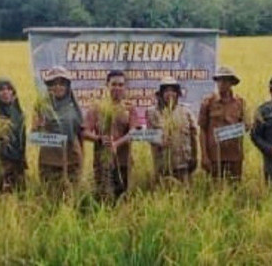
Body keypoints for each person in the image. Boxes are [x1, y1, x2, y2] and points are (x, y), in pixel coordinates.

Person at [83, 70, 138, 200]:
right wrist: (99, 139)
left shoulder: (129, 108)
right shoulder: (97, 107)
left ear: (125, 87)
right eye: (114, 84)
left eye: (120, 85)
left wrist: (117, 144)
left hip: (123, 162)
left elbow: (134, 132)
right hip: (103, 162)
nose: (117, 88)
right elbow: (84, 132)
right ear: (107, 85)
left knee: (123, 197)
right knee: (103, 197)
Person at [33, 66, 85, 187]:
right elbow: (34, 136)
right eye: (53, 84)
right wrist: (38, 127)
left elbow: (80, 133)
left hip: (72, 159)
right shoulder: (42, 107)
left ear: (68, 86)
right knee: (50, 198)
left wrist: (81, 157)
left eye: (62, 84)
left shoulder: (74, 107)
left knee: (72, 197)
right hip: (49, 160)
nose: (57, 87)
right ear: (48, 86)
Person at [198, 66, 249, 181]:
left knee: (235, 186)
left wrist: (246, 126)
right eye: (219, 80)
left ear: (232, 83)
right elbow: (202, 130)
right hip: (214, 156)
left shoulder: (240, 102)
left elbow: (246, 125)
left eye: (226, 80)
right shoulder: (208, 102)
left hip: (234, 155)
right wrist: (204, 156)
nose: (222, 83)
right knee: (215, 188)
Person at [146, 76, 197, 182]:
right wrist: (160, 139)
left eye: (173, 91)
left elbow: (193, 136)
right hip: (163, 167)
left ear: (177, 94)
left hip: (184, 165)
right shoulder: (153, 113)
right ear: (160, 94)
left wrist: (195, 157)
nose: (170, 94)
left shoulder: (185, 112)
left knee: (184, 195)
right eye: (166, 91)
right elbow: (149, 135)